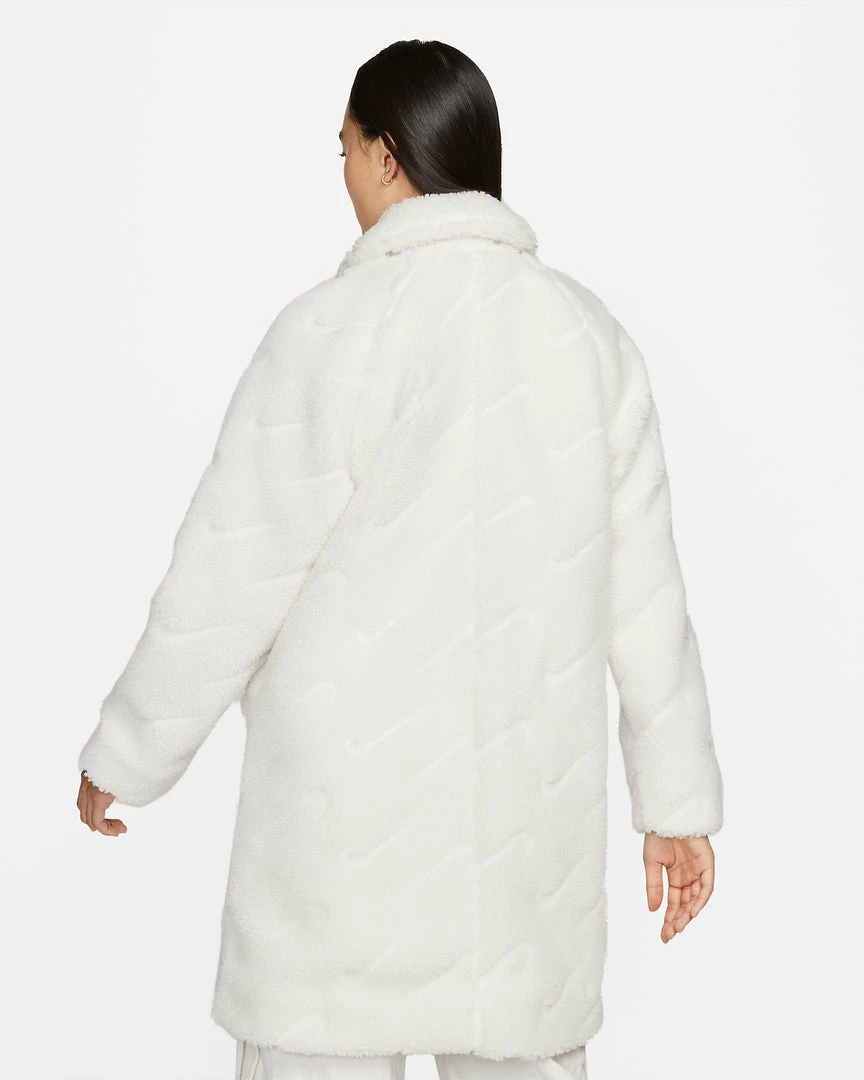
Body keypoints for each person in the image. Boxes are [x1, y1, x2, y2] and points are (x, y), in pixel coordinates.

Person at [76, 38, 723, 1080]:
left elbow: (229, 574)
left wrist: (129, 751)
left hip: (339, 845)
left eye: (343, 148)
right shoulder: (588, 339)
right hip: (521, 846)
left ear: (387, 155)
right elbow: (649, 601)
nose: (342, 173)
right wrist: (677, 808)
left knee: (316, 1047)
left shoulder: (329, 330)